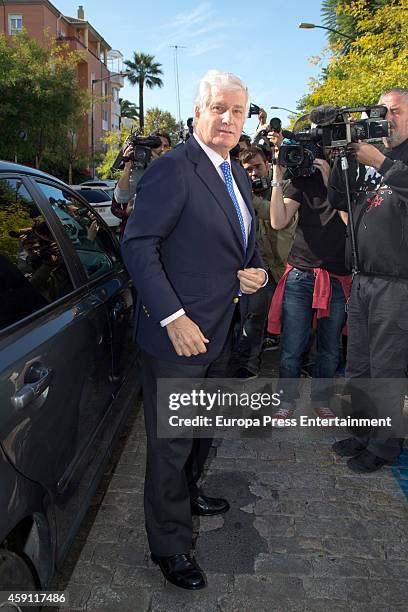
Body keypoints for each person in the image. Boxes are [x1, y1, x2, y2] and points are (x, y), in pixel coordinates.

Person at [121, 70, 266, 590]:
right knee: (171, 444)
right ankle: (171, 545)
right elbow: (138, 246)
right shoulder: (173, 169)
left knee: (201, 431)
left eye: (238, 112)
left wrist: (258, 272)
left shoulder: (237, 172)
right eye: (219, 108)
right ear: (198, 111)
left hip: (223, 329)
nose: (228, 119)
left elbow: (243, 244)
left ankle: (190, 491)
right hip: (176, 337)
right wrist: (172, 317)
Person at [327, 87, 408, 472]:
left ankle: (384, 447)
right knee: (358, 365)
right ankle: (361, 433)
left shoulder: (393, 162)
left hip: (397, 284)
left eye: (395, 111)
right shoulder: (372, 161)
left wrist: (381, 162)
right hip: (362, 280)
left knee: (387, 370)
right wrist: (343, 159)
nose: (386, 118)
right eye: (382, 111)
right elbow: (340, 201)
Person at [268, 141, 351, 422]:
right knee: (292, 346)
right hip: (301, 275)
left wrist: (331, 180)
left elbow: (348, 222)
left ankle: (321, 400)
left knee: (330, 348)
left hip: (337, 276)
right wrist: (277, 179)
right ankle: (285, 401)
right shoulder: (303, 180)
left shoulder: (351, 178)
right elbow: (278, 221)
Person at [234, 145, 296, 377]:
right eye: (248, 170)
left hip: (289, 265)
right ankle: (247, 364)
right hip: (261, 268)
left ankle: (294, 367)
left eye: (258, 167)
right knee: (254, 315)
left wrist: (252, 199)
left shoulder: (284, 187)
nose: (253, 174)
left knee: (294, 320)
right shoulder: (240, 195)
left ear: (268, 164)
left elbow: (277, 217)